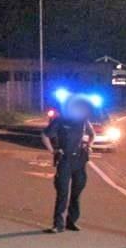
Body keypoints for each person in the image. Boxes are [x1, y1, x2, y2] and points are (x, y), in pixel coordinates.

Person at [41, 95, 95, 233]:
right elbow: (45, 135)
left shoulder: (83, 121)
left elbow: (92, 134)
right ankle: (58, 224)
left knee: (77, 191)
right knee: (62, 192)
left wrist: (89, 145)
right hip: (65, 160)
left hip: (80, 161)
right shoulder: (59, 120)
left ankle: (72, 221)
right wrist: (53, 151)